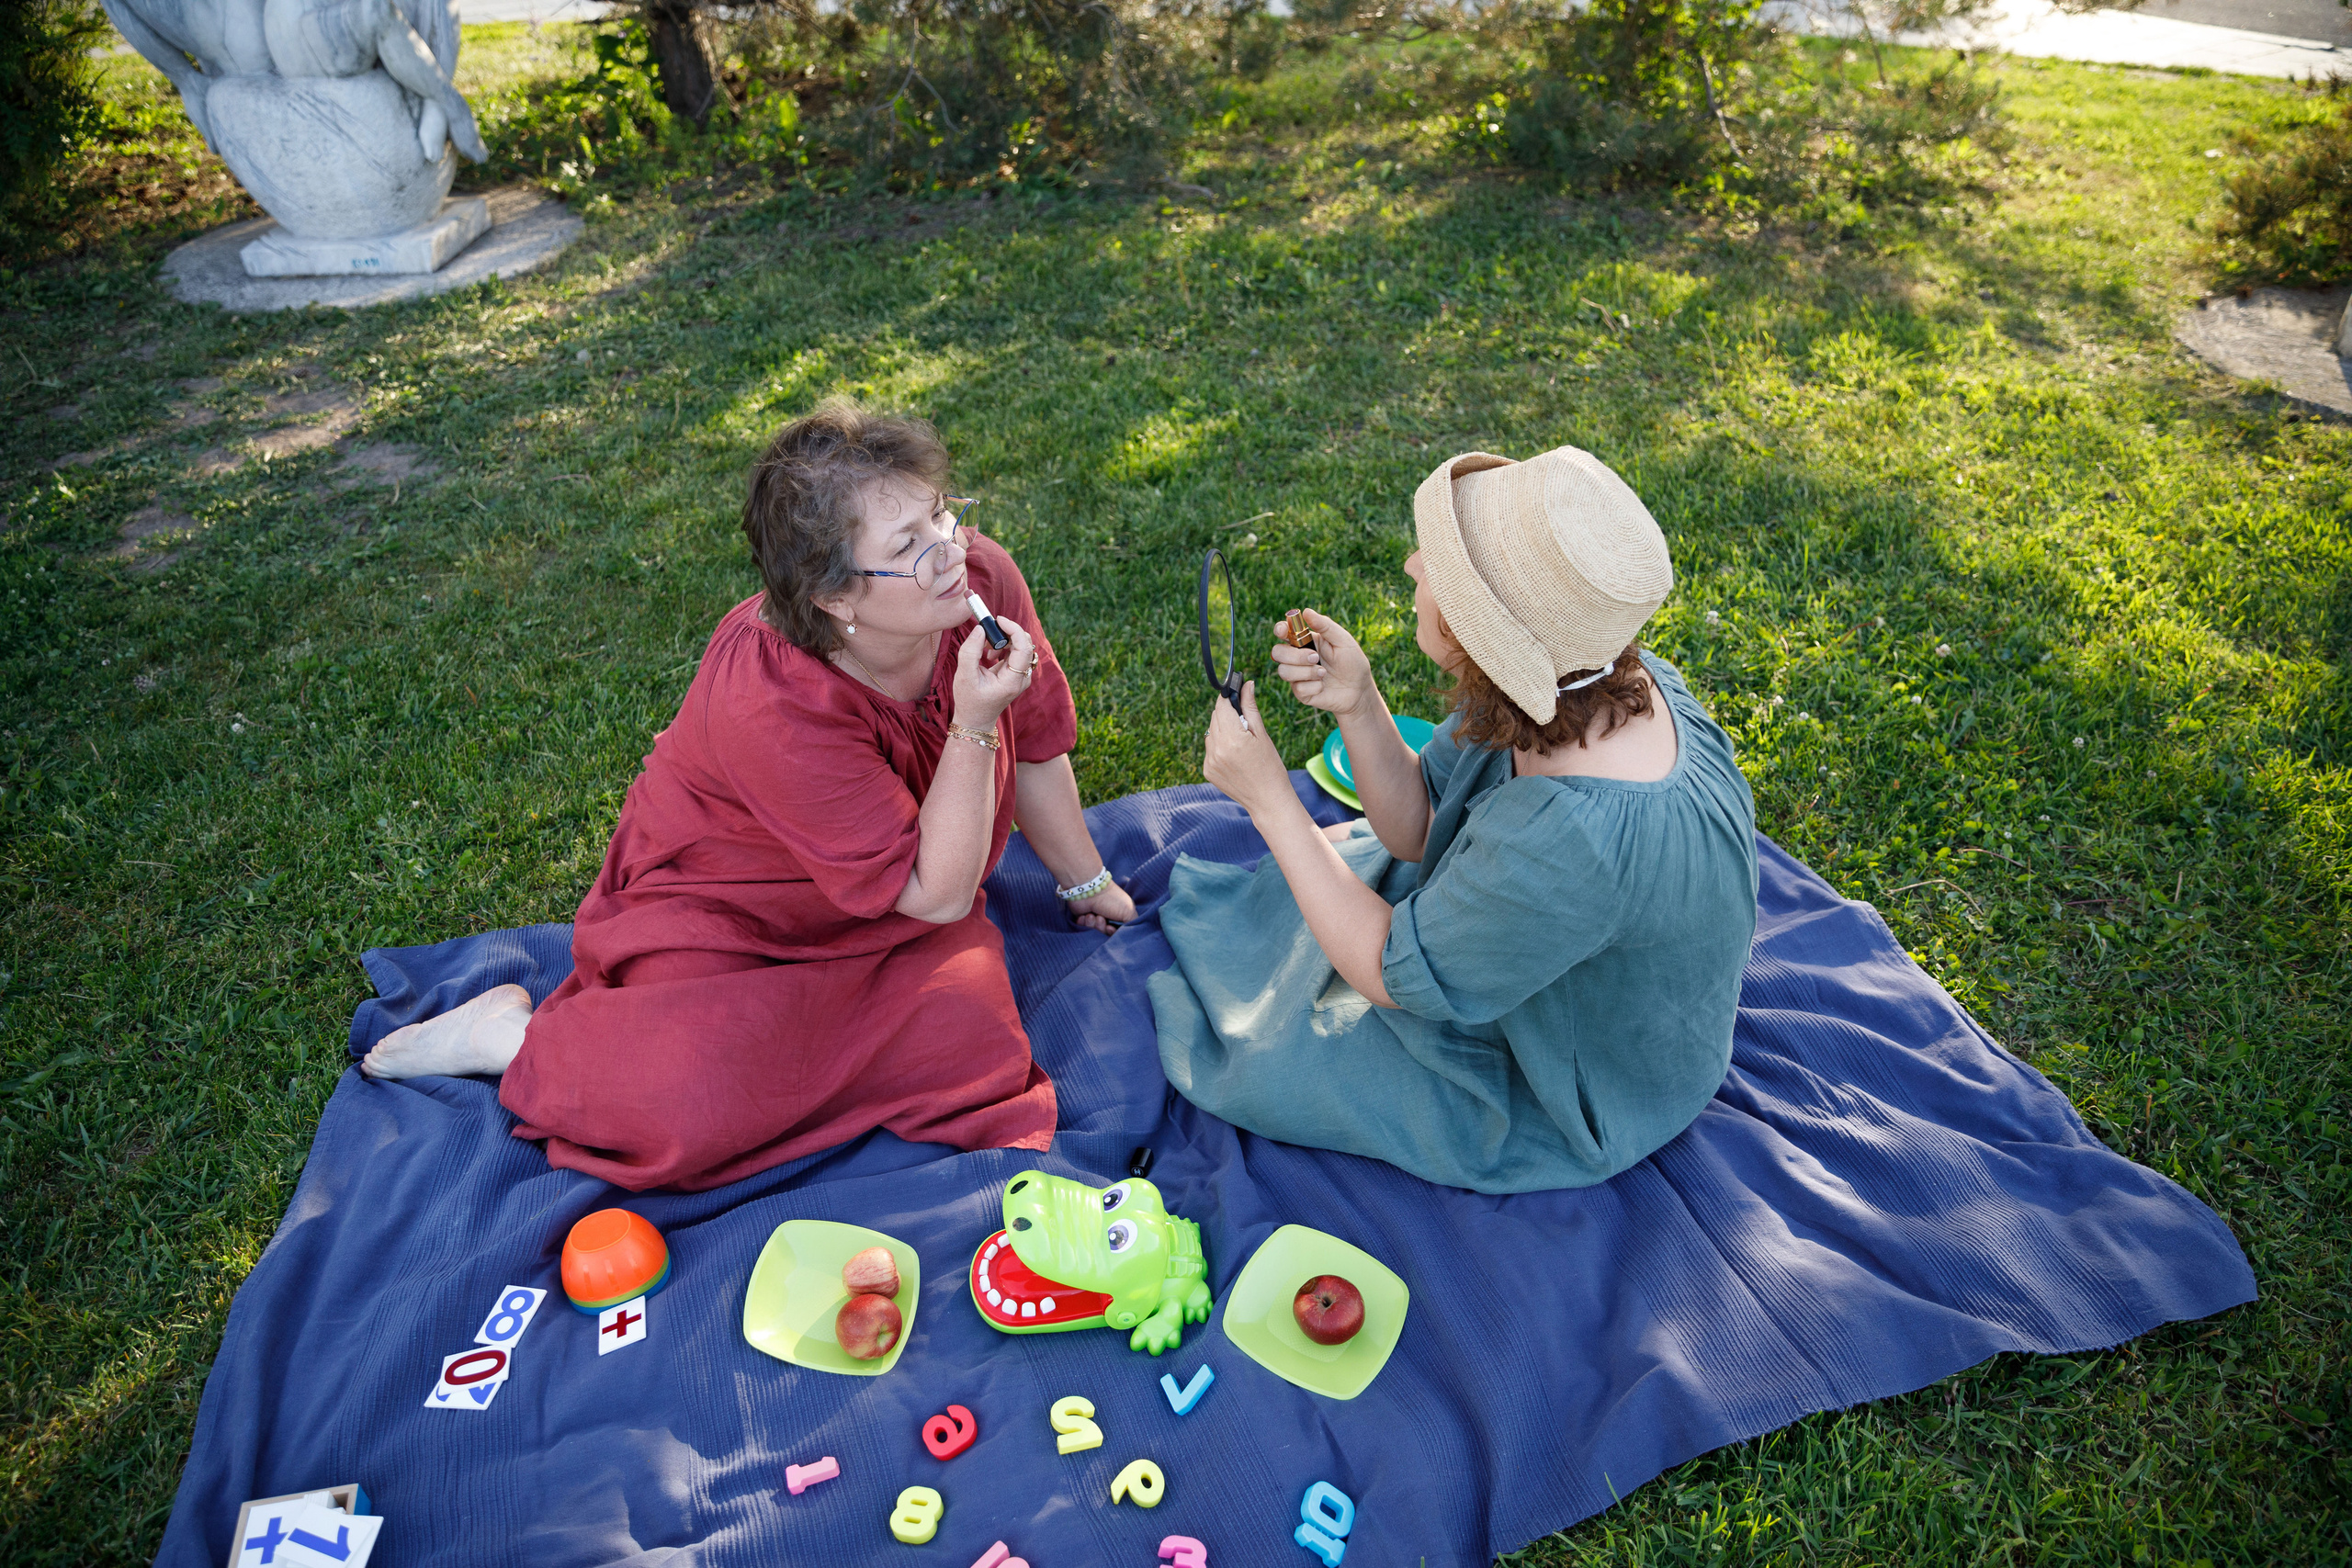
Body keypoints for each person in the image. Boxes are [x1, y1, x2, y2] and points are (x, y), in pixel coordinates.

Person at [360, 402, 1135, 1191]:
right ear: (834, 597)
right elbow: (936, 895)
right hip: (738, 911)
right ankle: (517, 1042)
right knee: (681, 1107)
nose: (949, 553)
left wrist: (1088, 883)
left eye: (942, 514)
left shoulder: (978, 578)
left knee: (973, 1042)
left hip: (894, 902)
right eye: (908, 544)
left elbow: (1035, 743)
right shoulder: (771, 699)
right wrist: (973, 719)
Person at [1148, 446, 1758, 1194]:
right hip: (1540, 946)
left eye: (1437, 565)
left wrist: (1271, 802)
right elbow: (1422, 828)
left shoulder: (1571, 842)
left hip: (1578, 1082)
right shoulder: (1577, 681)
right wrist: (1360, 702)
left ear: (1484, 633)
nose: (1410, 564)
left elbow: (1383, 973)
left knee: (1272, 1047)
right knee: (1306, 901)